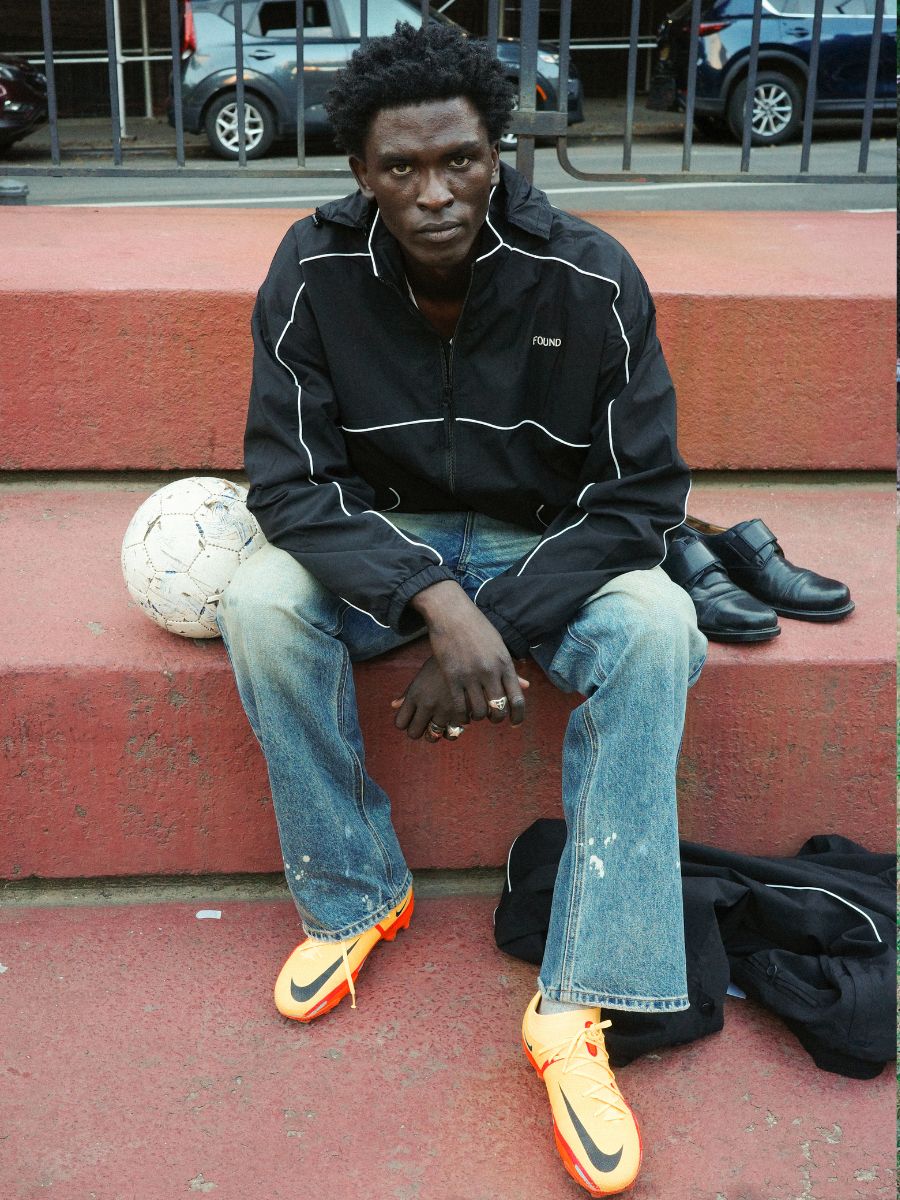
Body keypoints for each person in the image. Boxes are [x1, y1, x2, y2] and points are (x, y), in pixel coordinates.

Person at [217, 21, 707, 1197]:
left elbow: (641, 494)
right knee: (259, 601)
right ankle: (355, 897)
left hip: (546, 542)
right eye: (401, 170)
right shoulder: (310, 266)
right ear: (358, 171)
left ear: (501, 153)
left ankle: (582, 998)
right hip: (383, 545)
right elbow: (289, 481)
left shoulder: (589, 272)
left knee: (660, 628)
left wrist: (506, 610)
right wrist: (436, 602)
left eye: (461, 162)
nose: (434, 195)